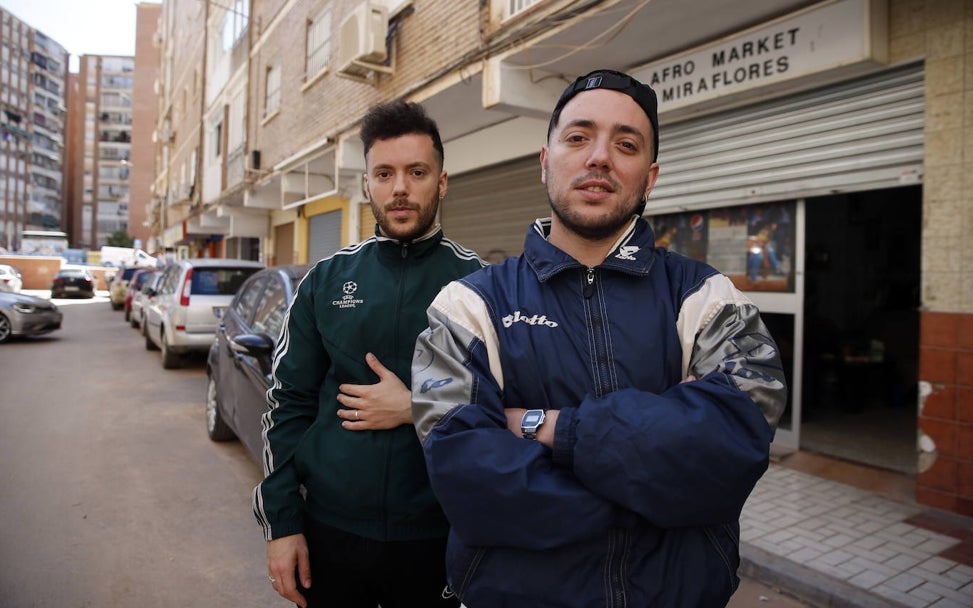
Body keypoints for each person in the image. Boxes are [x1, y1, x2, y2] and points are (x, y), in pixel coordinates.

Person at [411, 69, 787, 607]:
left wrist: (554, 429)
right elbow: (467, 480)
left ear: (650, 177)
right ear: (546, 162)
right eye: (578, 137)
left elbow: (736, 442)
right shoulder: (468, 307)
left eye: (626, 144)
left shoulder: (708, 298)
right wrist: (655, 490)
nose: (599, 158)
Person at [253, 100, 483, 608]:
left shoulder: (481, 285)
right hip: (330, 534)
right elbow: (286, 405)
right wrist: (283, 524)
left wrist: (417, 405)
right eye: (384, 173)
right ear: (367, 185)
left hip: (439, 537)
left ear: (441, 182)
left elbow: (512, 406)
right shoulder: (325, 282)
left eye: (416, 172)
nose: (400, 187)